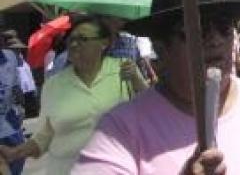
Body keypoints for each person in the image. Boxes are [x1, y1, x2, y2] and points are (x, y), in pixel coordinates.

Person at [72, 0, 240, 174]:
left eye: (224, 27)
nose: (215, 40)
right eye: (198, 30)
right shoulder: (120, 131)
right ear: (161, 48)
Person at [0, 16, 147, 174]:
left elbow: (152, 111)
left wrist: (137, 79)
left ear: (104, 43)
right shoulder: (54, 85)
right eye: (71, 39)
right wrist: (16, 152)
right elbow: (44, 136)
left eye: (83, 39)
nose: (74, 44)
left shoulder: (123, 70)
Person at [0, 35, 24, 175]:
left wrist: (21, 107)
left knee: (18, 159)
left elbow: (16, 86)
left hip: (10, 124)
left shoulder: (10, 57)